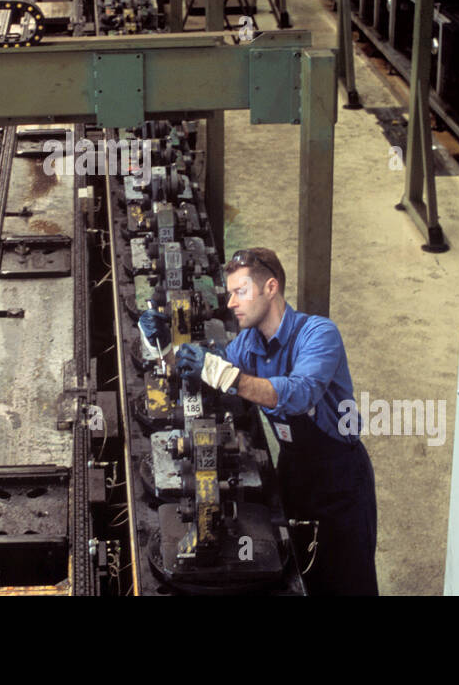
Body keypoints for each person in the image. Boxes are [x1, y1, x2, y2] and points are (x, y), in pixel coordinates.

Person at [138, 247, 378, 595]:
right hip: (293, 472)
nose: (232, 302)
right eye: (231, 292)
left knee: (346, 581)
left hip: (340, 482)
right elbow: (211, 370)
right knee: (300, 572)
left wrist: (226, 375)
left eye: (241, 291)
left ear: (270, 287)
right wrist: (164, 346)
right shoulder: (250, 343)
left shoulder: (319, 334)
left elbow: (300, 392)